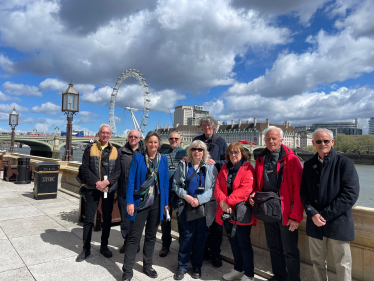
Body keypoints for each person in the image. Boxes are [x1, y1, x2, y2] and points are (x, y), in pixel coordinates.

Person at [300, 128, 360, 281]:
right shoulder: (308, 165)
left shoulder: (344, 163)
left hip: (338, 221)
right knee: (317, 262)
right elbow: (304, 193)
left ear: (332, 142)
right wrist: (312, 213)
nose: (322, 144)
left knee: (343, 263)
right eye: (318, 141)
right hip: (315, 222)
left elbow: (350, 194)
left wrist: (324, 215)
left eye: (326, 141)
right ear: (313, 143)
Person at [249, 126, 303, 281]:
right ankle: (279, 276)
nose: (271, 141)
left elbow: (299, 189)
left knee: (290, 250)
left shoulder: (292, 159)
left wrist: (296, 215)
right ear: (264, 140)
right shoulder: (260, 158)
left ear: (281, 140)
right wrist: (254, 193)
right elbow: (258, 183)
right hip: (268, 208)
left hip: (286, 211)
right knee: (274, 247)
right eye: (268, 138)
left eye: (274, 138)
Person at [122, 131, 169, 281]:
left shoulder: (164, 160)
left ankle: (147, 265)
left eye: (155, 142)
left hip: (157, 202)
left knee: (151, 236)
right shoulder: (138, 158)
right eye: (150, 142)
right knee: (134, 237)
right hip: (140, 202)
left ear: (159, 144)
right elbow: (131, 180)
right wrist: (129, 201)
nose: (153, 145)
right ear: (146, 143)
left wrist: (166, 203)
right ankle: (127, 271)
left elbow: (165, 183)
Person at [172, 140, 218, 280]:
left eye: (200, 149)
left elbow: (214, 188)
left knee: (200, 237)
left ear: (204, 152)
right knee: (186, 237)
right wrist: (187, 197)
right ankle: (182, 266)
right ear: (190, 151)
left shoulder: (210, 167)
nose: (197, 151)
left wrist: (199, 200)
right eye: (194, 149)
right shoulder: (183, 165)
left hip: (203, 208)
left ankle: (197, 266)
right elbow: (176, 185)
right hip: (186, 206)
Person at [76, 124, 120, 262]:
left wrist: (106, 183)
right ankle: (86, 248)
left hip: (108, 189)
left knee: (107, 218)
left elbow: (118, 171)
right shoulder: (90, 149)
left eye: (107, 133)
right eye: (103, 133)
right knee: (89, 219)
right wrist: (97, 182)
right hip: (92, 188)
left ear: (110, 135)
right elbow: (84, 168)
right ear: (98, 134)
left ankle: (104, 246)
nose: (105, 135)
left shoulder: (115, 151)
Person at [214, 142, 258, 281]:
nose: (233, 155)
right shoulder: (225, 168)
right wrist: (222, 202)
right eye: (231, 152)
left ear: (242, 154)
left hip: (241, 212)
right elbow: (218, 186)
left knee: (244, 243)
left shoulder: (248, 168)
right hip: (227, 212)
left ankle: (249, 274)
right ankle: (238, 269)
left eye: (236, 152)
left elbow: (246, 189)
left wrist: (226, 202)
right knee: (233, 241)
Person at [193, 116, 227, 267]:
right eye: (205, 126)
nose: (207, 128)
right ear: (201, 127)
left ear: (213, 127)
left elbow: (227, 161)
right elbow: (191, 157)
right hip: (199, 186)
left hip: (216, 187)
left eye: (209, 126)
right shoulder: (196, 140)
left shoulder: (221, 142)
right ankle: (202, 252)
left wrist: (216, 162)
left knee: (216, 225)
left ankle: (215, 254)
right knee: (200, 222)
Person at [159, 131, 186, 257]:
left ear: (180, 140)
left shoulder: (185, 153)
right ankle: (165, 244)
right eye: (171, 138)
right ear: (168, 140)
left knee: (182, 221)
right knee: (165, 221)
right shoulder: (163, 155)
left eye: (176, 138)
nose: (174, 140)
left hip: (180, 193)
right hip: (167, 192)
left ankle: (182, 245)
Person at [117, 129, 144, 254]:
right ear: (128, 137)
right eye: (131, 136)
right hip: (123, 191)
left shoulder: (144, 152)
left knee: (137, 220)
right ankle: (127, 241)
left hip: (140, 193)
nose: (133, 138)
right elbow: (116, 171)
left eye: (135, 137)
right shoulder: (121, 151)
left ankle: (135, 243)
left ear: (139, 138)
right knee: (125, 220)